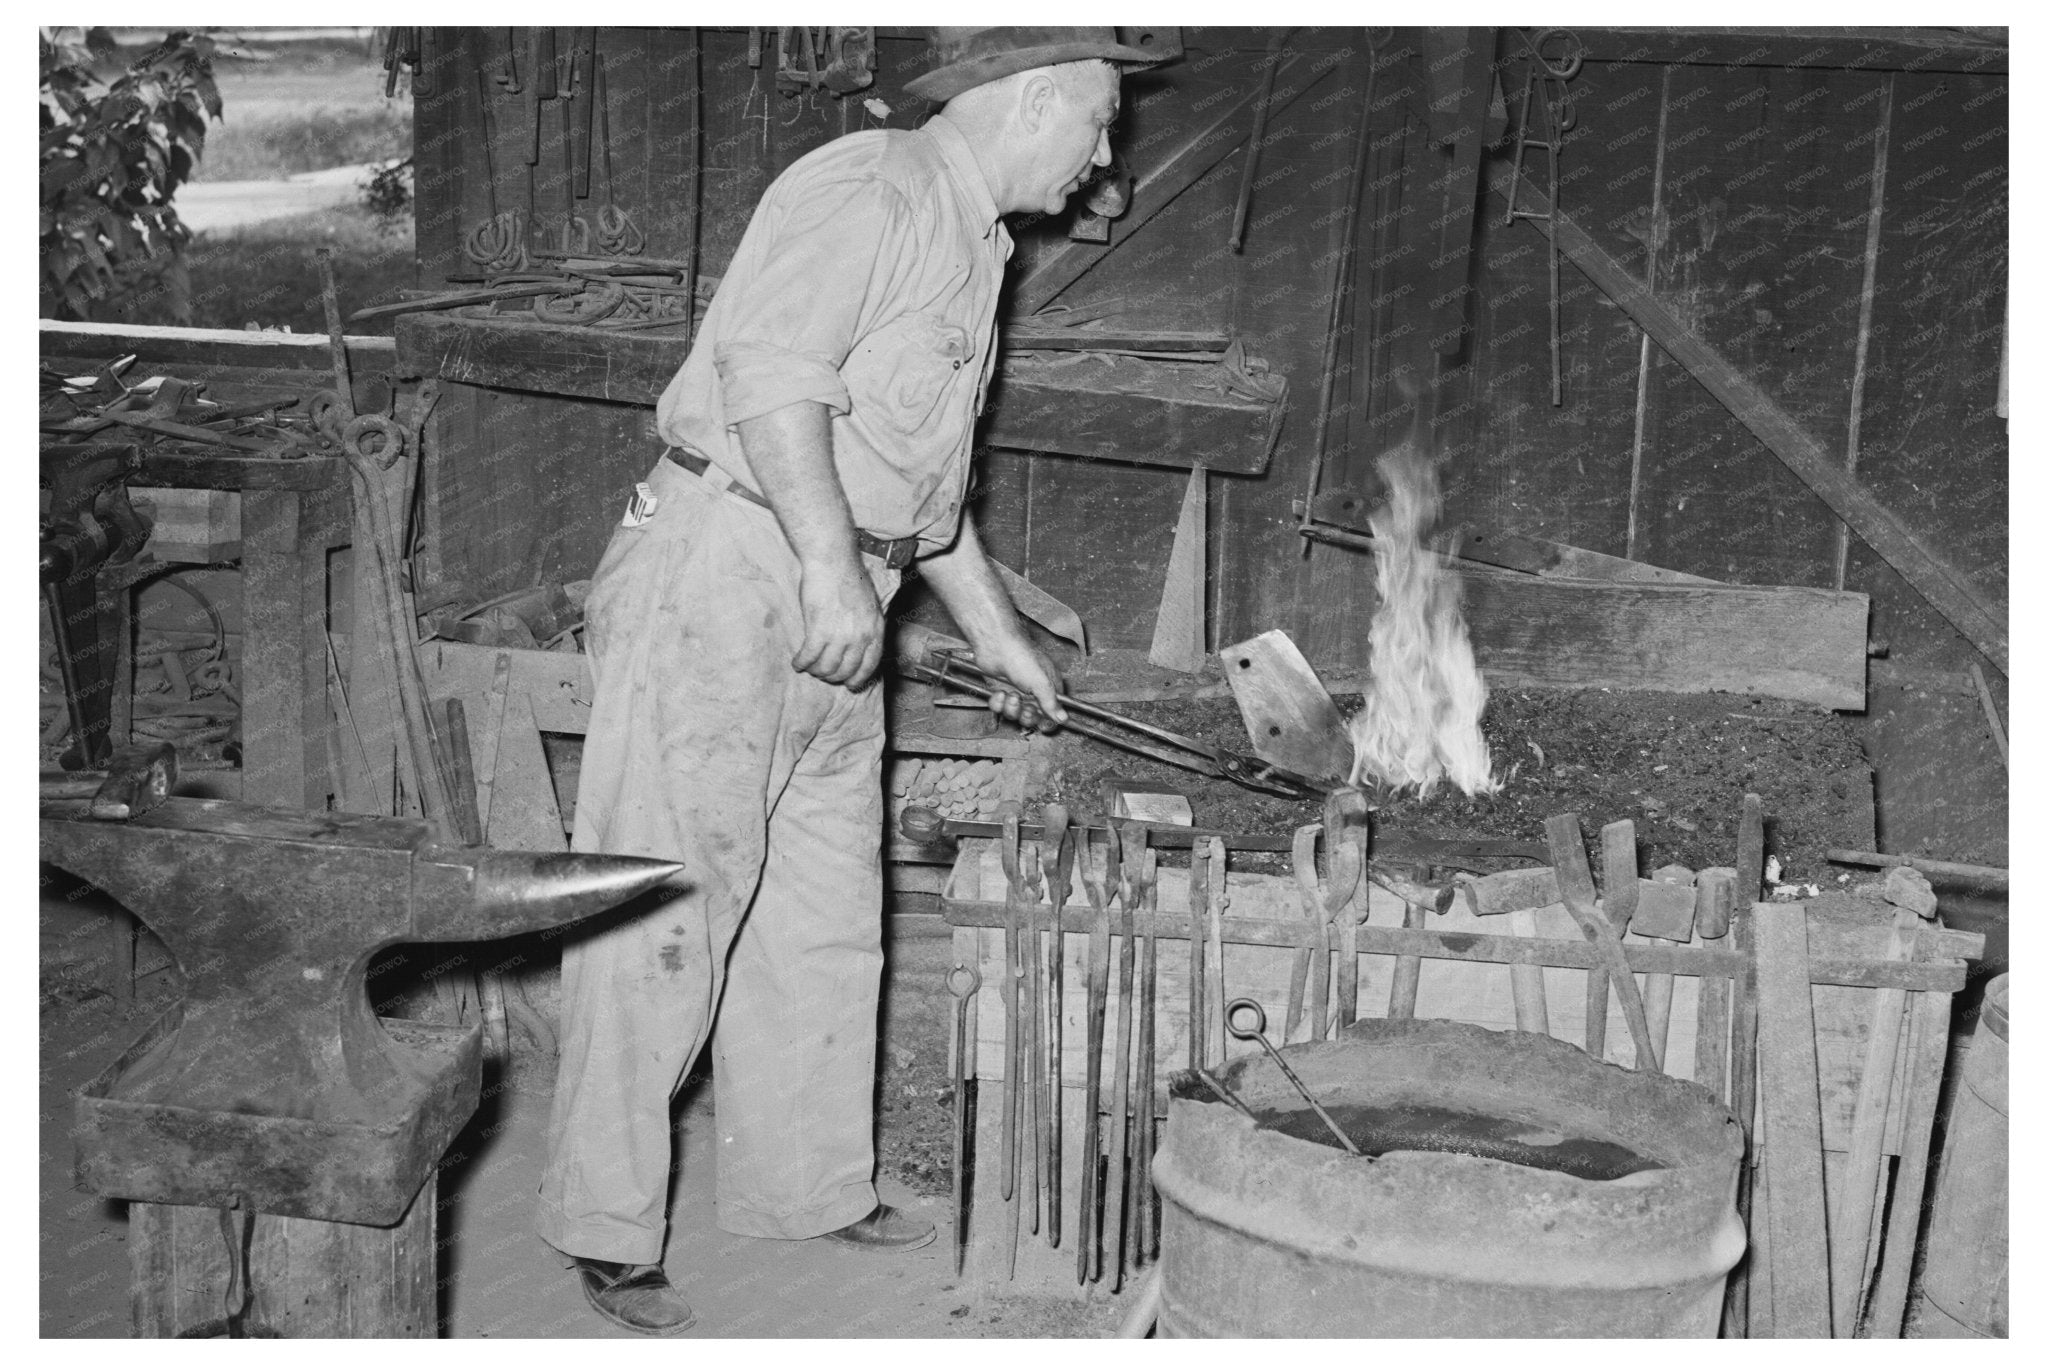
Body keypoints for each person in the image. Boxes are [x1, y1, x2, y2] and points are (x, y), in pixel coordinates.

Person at [534, 27, 1161, 1336]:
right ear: (1036, 97)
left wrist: (1001, 640)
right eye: (1097, 121)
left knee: (821, 903)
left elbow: (927, 500)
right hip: (734, 562)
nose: (1104, 156)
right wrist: (826, 572)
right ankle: (603, 1224)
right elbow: (771, 382)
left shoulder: (973, 242)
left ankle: (804, 1189)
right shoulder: (867, 187)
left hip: (839, 579)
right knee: (667, 895)